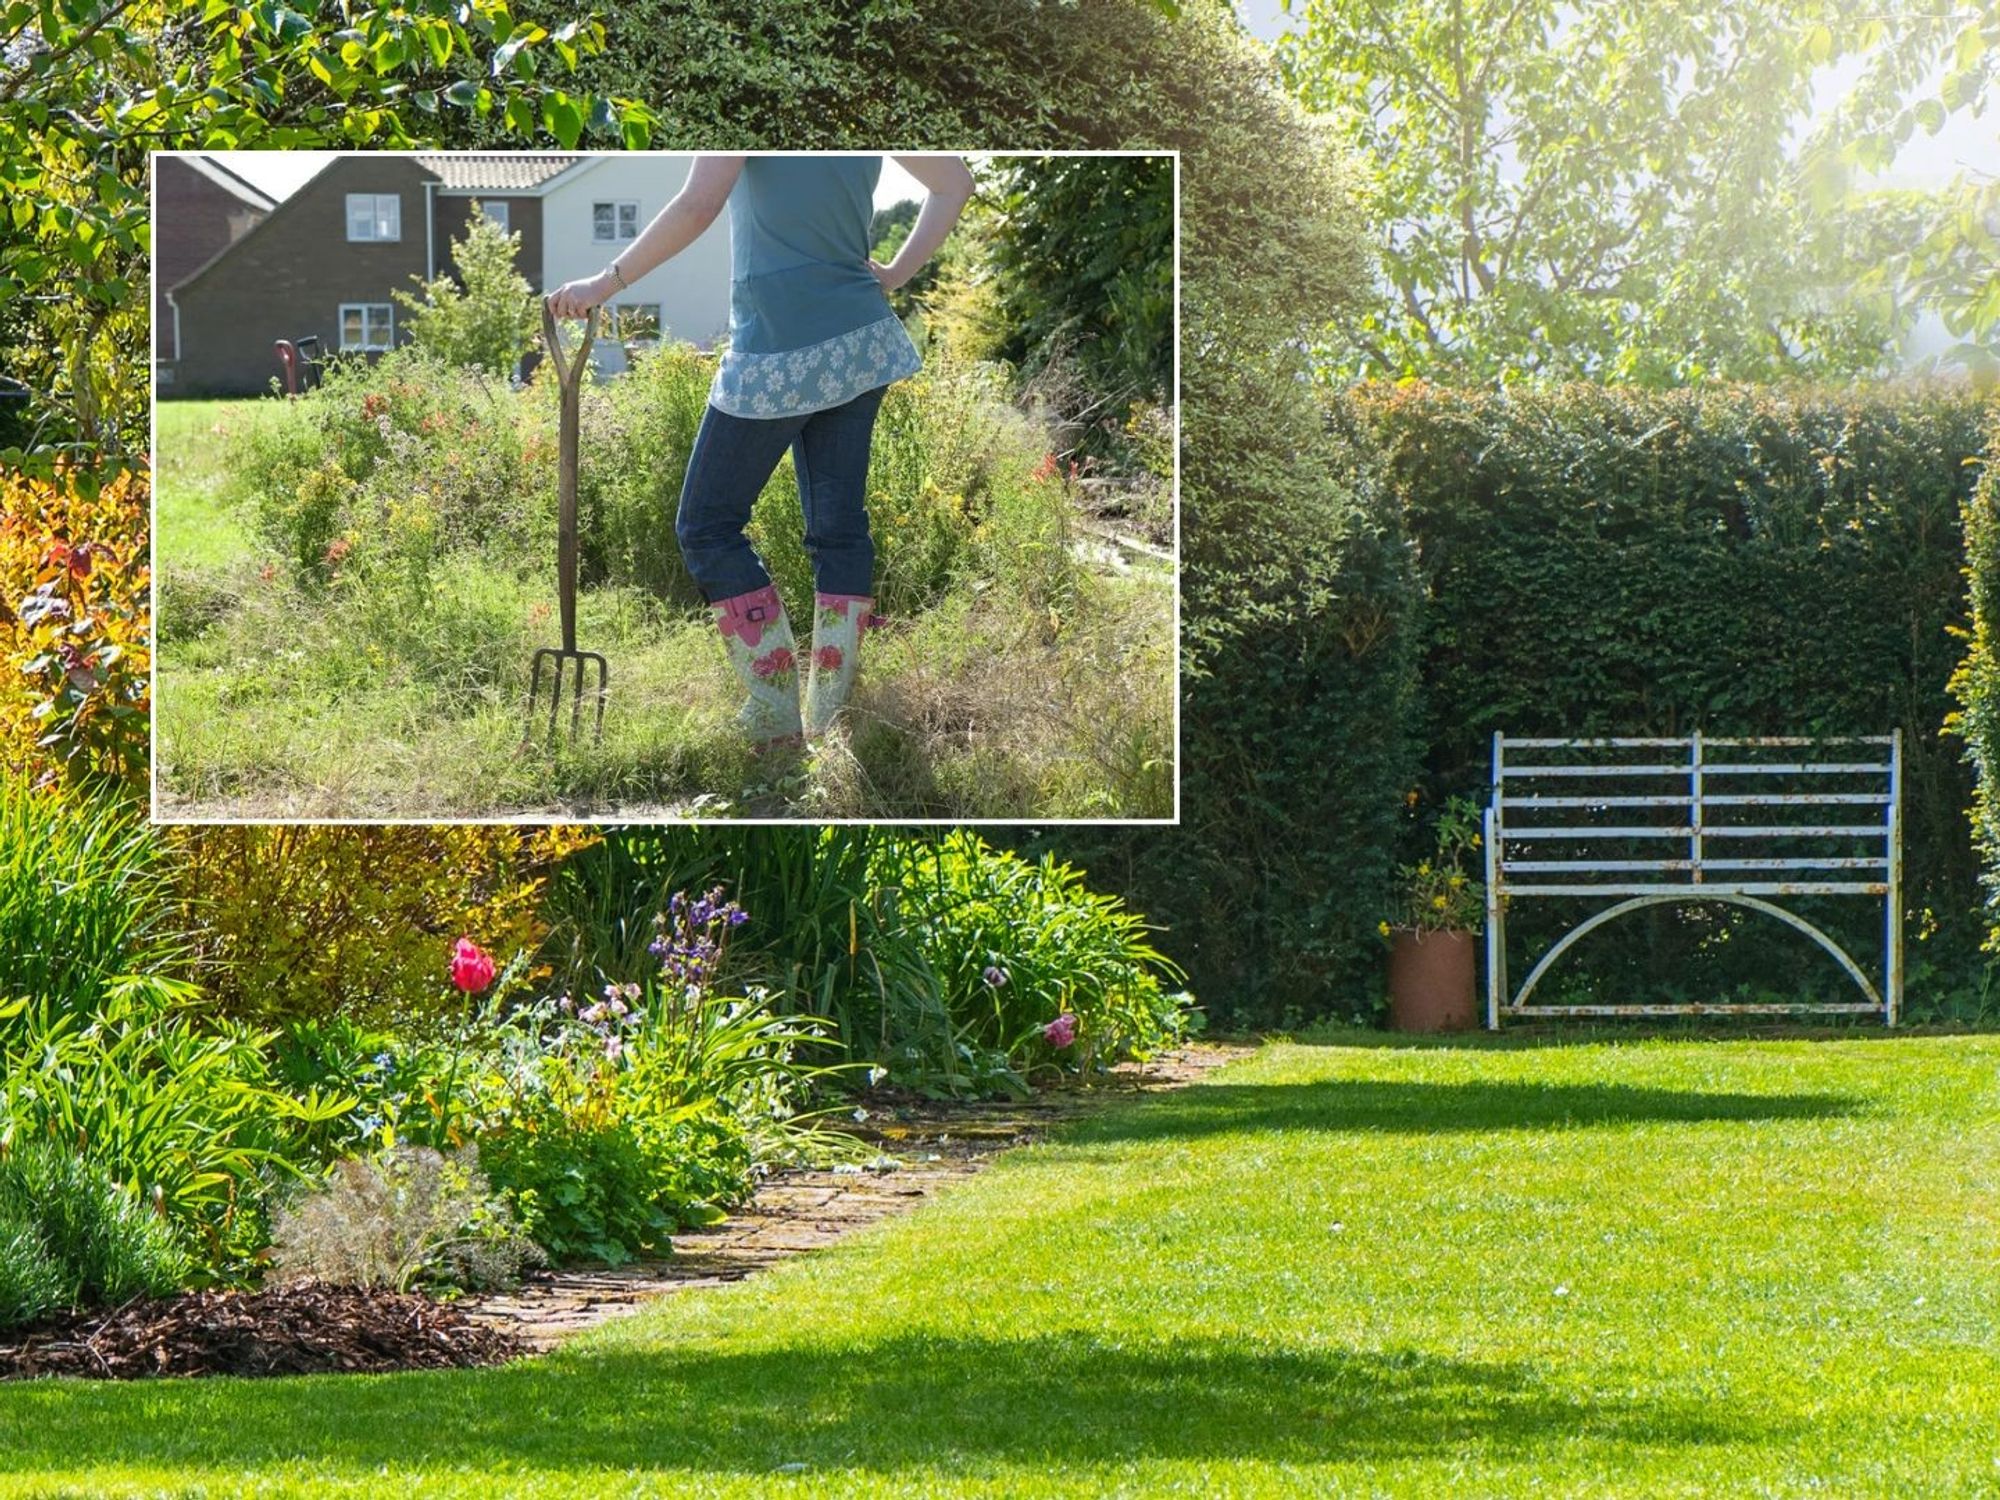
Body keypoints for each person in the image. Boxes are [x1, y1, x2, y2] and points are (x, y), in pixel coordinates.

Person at [546, 153, 974, 746]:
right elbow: (955, 184)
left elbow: (699, 204)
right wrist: (897, 273)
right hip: (858, 338)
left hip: (777, 344)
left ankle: (775, 714)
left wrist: (603, 283)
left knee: (706, 525)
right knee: (839, 532)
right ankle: (830, 717)